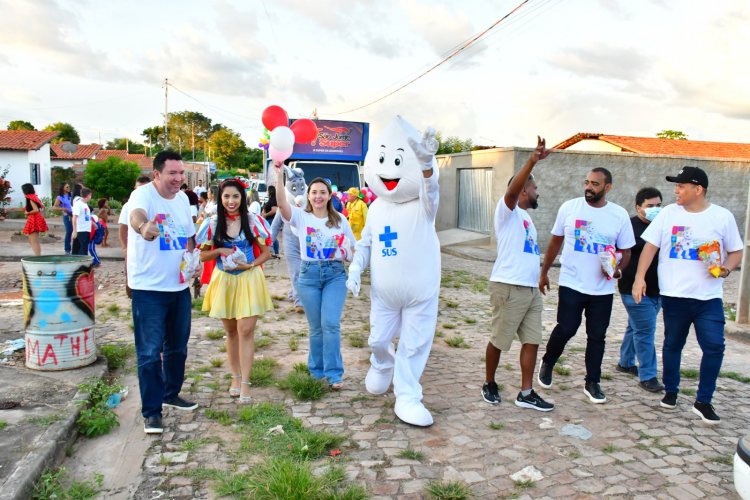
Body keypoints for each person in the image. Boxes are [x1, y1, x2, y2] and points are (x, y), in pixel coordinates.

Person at [346, 116, 441, 427]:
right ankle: (381, 363)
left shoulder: (423, 207)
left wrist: (426, 168)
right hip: (384, 294)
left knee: (414, 345)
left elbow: (432, 193)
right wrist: (356, 269)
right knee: (378, 338)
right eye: (385, 160)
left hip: (420, 292)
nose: (390, 170)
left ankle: (408, 395)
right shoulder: (376, 208)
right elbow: (366, 244)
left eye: (399, 161)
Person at [633, 166, 743, 424]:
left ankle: (704, 401)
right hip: (674, 295)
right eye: (676, 186)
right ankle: (671, 392)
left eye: (681, 186)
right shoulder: (669, 214)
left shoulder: (722, 217)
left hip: (708, 298)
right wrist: (639, 278)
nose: (676, 191)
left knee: (715, 347)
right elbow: (650, 247)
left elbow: (736, 251)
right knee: (673, 345)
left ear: (698, 189)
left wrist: (725, 269)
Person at [537, 168, 635, 404]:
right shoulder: (570, 208)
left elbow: (626, 250)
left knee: (597, 336)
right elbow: (555, 241)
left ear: (607, 187)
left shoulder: (619, 215)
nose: (589, 187)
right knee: (567, 327)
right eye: (587, 182)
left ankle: (593, 382)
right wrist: (544, 271)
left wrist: (617, 270)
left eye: (595, 184)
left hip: (602, 289)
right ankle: (548, 361)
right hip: (572, 282)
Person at [127, 150, 198, 435]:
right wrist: (143, 227)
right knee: (149, 352)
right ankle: (151, 412)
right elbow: (136, 216)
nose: (178, 178)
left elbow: (189, 236)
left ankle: (171, 393)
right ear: (157, 174)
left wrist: (194, 265)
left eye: (181, 173)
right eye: (172, 173)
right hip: (149, 289)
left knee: (178, 348)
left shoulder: (182, 199)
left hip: (179, 286)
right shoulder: (143, 196)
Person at [482, 137, 554, 411]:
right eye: (535, 188)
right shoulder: (507, 211)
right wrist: (532, 161)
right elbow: (511, 192)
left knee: (532, 340)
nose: (538, 193)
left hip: (530, 289)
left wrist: (540, 276)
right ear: (524, 190)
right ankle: (489, 382)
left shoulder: (527, 218)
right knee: (499, 339)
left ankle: (526, 392)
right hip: (507, 287)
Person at [275, 164, 355, 390]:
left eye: (323, 192)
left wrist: (351, 256)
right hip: (308, 276)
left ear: (330, 195)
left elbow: (353, 248)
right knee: (316, 327)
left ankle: (334, 374)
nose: (318, 196)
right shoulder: (300, 216)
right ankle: (316, 371)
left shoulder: (340, 219)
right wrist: (277, 175)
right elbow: (281, 203)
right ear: (307, 195)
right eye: (314, 192)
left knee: (330, 324)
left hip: (334, 275)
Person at [197, 179, 274, 404]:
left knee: (246, 330)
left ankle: (246, 383)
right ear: (220, 199)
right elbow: (202, 255)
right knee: (231, 332)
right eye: (227, 197)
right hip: (225, 280)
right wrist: (220, 249)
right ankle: (235, 377)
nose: (231, 201)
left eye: (236, 197)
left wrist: (250, 265)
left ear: (243, 198)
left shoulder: (253, 221)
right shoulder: (212, 223)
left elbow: (266, 253)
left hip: (249, 279)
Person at [617, 187, 664, 393]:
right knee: (645, 331)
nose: (655, 209)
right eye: (650, 206)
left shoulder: (663, 226)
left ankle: (626, 362)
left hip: (658, 289)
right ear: (638, 207)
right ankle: (648, 375)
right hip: (632, 288)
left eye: (659, 205)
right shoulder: (628, 226)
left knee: (635, 327)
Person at [119, 175, 151, 298]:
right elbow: (123, 227)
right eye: (138, 189)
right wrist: (124, 248)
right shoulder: (128, 205)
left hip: (151, 251)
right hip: (134, 249)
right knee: (131, 279)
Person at [21, 183, 48, 256]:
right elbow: (41, 208)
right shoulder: (34, 196)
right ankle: (38, 255)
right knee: (33, 239)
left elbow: (36, 209)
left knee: (34, 240)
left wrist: (28, 213)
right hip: (36, 218)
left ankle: (38, 256)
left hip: (34, 219)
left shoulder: (29, 197)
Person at [72, 188, 93, 256]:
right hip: (81, 230)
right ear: (88, 195)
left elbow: (86, 217)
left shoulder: (85, 204)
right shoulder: (78, 204)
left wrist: (93, 224)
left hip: (86, 229)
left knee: (84, 248)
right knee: (81, 250)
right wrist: (74, 231)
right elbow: (74, 217)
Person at [53, 183, 73, 254]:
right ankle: (67, 249)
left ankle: (76, 249)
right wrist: (62, 208)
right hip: (67, 216)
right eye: (67, 187)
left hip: (75, 215)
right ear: (63, 188)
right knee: (69, 231)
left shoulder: (72, 195)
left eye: (69, 186)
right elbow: (54, 207)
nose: (68, 188)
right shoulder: (60, 197)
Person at [262, 185, 279, 257]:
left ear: (270, 191)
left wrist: (266, 214)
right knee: (271, 235)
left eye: (267, 190)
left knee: (272, 235)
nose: (267, 192)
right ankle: (275, 251)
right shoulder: (271, 199)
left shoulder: (273, 200)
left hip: (271, 219)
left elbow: (274, 210)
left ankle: (275, 251)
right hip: (269, 219)